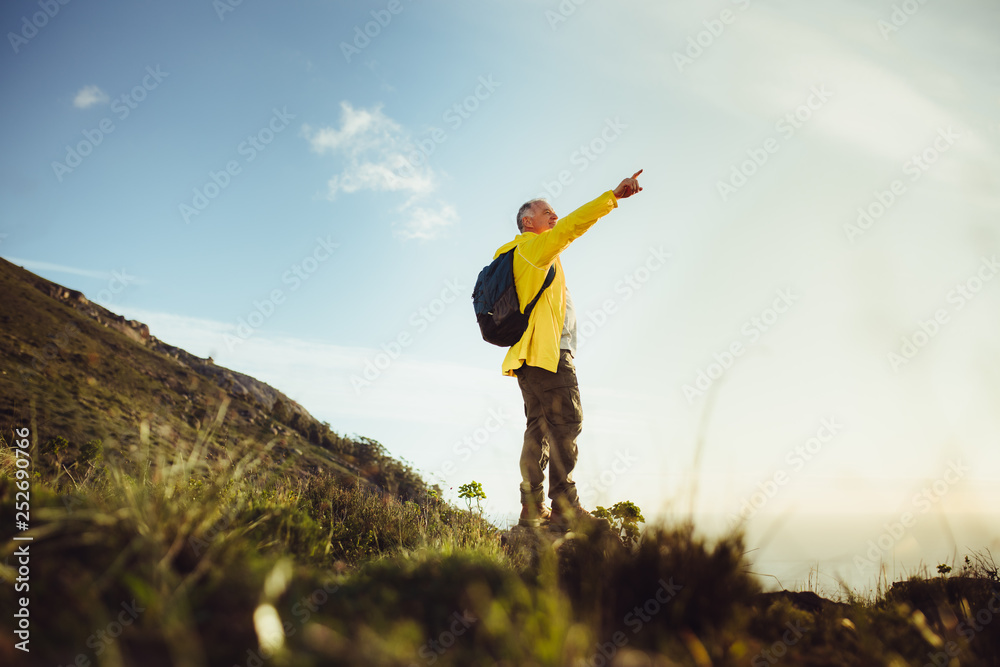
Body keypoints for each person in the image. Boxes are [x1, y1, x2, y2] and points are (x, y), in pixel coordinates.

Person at [494, 170, 644, 528]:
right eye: (548, 213)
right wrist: (612, 197)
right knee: (567, 423)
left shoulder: (514, 254)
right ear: (528, 221)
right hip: (548, 357)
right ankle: (564, 506)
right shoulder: (533, 248)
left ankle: (531, 507)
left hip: (526, 359)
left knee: (538, 429)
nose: (555, 217)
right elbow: (571, 228)